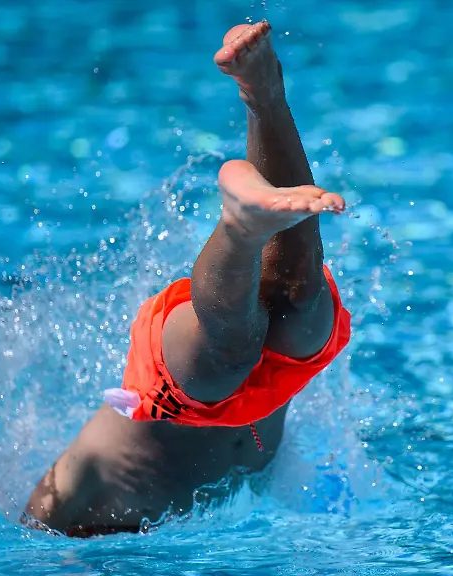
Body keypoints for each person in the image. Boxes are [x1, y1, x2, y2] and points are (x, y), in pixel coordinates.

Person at [24, 20, 351, 537]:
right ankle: (264, 95)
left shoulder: (63, 511)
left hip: (171, 381)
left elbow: (24, 537)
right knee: (300, 300)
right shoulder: (79, 495)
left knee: (224, 360)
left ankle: (241, 229)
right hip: (264, 391)